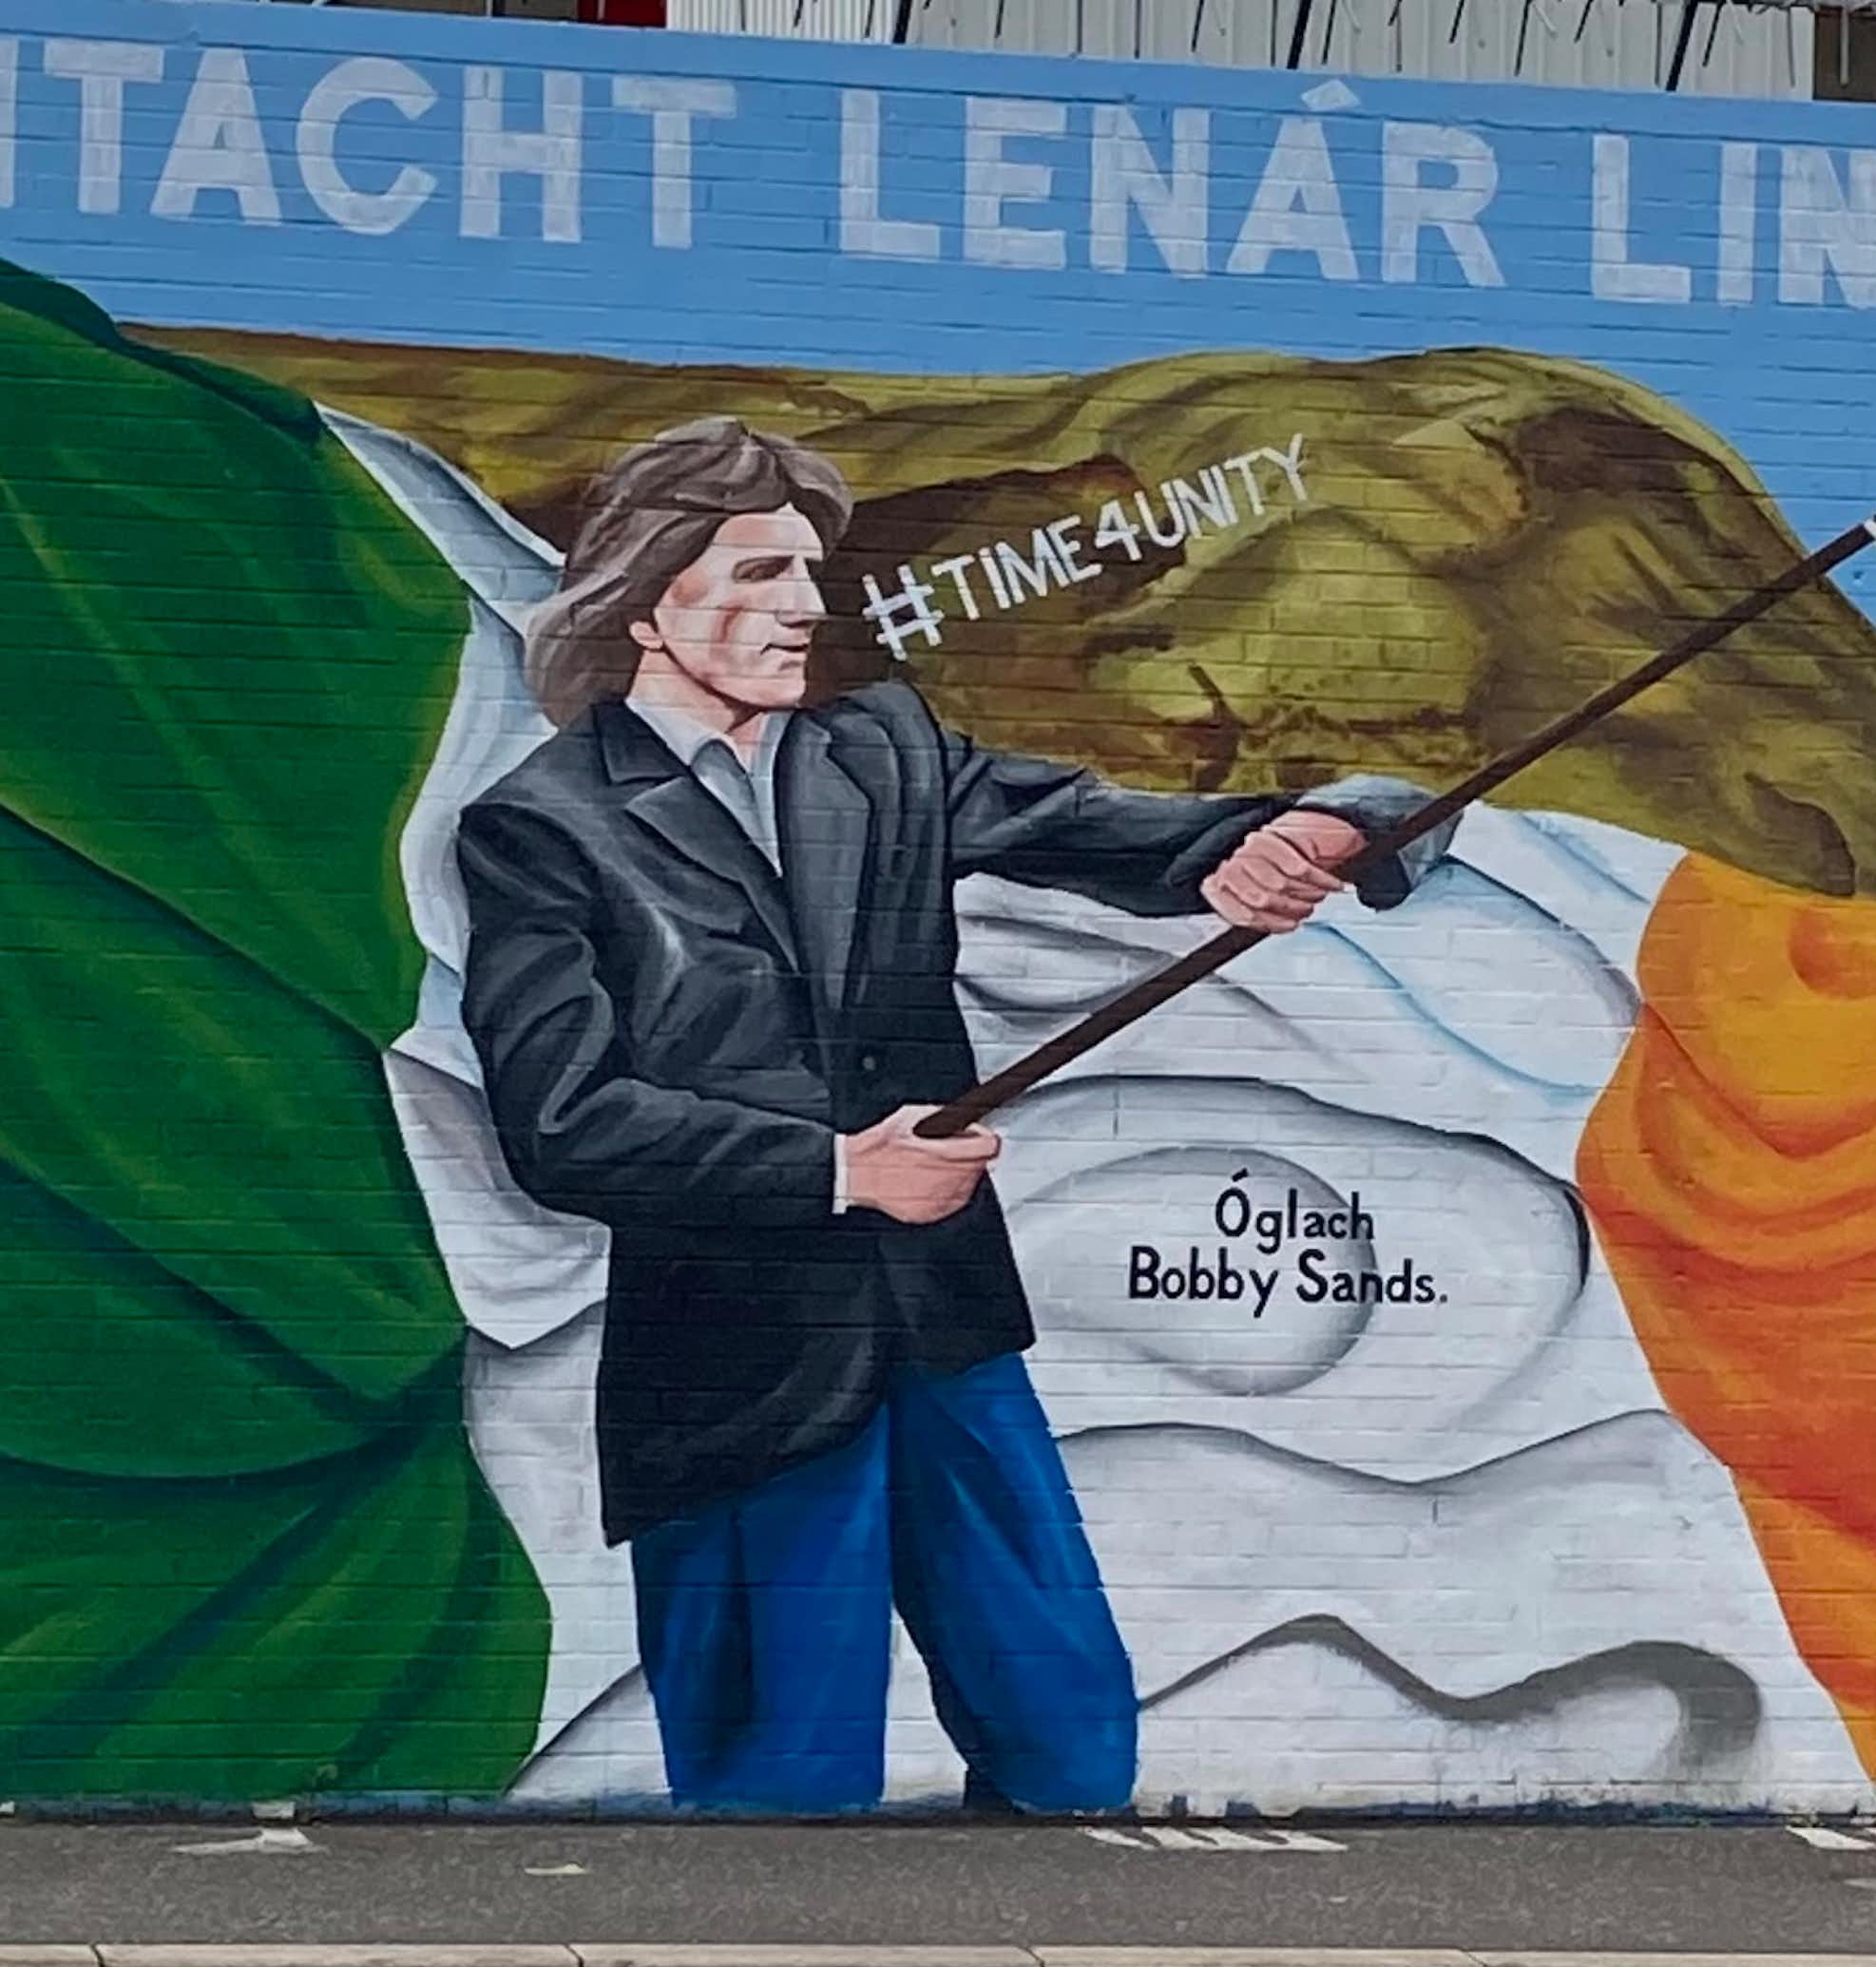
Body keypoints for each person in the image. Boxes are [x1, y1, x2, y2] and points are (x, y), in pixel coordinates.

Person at [456, 417, 1446, 1814]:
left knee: (1072, 1747)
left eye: (809, 572)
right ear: (644, 602)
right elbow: (563, 1121)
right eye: (757, 573)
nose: (803, 606)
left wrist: (1296, 834)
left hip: (949, 1333)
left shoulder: (879, 749)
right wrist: (838, 1171)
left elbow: (1096, 827)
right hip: (743, 1377)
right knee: (778, 1793)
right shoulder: (547, 825)